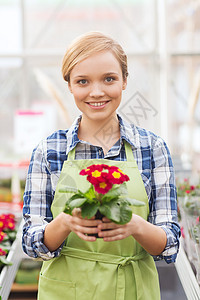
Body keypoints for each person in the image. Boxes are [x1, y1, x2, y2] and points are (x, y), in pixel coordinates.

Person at [22, 31, 180, 300]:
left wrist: (135, 226)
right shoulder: (49, 151)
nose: (97, 92)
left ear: (125, 81)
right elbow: (31, 242)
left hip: (133, 289)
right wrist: (65, 222)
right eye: (83, 81)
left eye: (109, 78)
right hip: (66, 289)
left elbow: (169, 245)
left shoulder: (152, 148)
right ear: (70, 85)